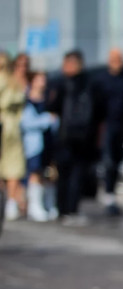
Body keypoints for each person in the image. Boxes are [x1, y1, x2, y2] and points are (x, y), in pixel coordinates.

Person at [47, 50, 105, 226]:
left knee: (66, 174)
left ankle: (64, 209)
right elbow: (101, 112)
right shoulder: (91, 83)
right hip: (83, 137)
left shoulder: (59, 83)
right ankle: (69, 210)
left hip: (66, 136)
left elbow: (51, 107)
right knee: (74, 174)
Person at [96, 48, 123, 216]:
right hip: (106, 125)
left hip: (122, 126)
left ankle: (111, 195)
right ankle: (107, 195)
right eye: (114, 58)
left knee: (117, 160)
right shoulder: (101, 80)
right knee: (108, 161)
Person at [21, 71, 57, 222]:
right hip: (34, 143)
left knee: (48, 173)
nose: (42, 82)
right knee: (34, 172)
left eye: (44, 79)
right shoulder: (26, 100)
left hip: (48, 141)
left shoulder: (49, 98)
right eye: (39, 79)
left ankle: (48, 204)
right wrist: (46, 120)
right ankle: (34, 206)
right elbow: (26, 123)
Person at [1, 53, 29, 221]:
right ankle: (11, 202)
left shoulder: (5, 80)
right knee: (12, 167)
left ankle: (9, 202)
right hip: (13, 127)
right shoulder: (15, 81)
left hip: (5, 125)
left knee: (8, 166)